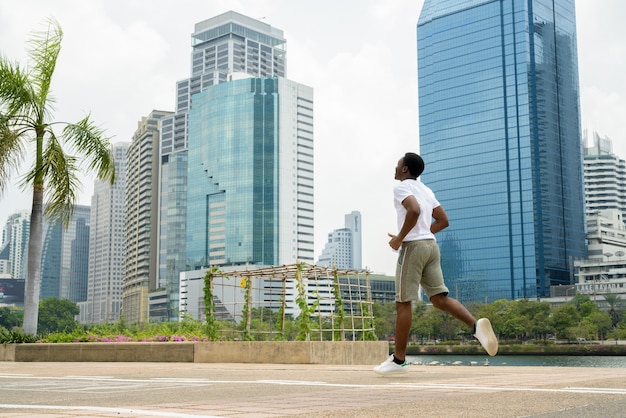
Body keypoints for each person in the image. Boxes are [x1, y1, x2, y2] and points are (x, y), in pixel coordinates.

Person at [374, 152, 498, 375]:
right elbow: (443, 220)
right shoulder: (427, 190)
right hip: (431, 247)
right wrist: (422, 233)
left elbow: (414, 210)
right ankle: (475, 326)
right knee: (439, 299)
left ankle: (399, 359)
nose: (395, 167)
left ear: (405, 169)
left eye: (397, 164)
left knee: (403, 302)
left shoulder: (402, 187)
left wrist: (400, 239)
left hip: (413, 249)